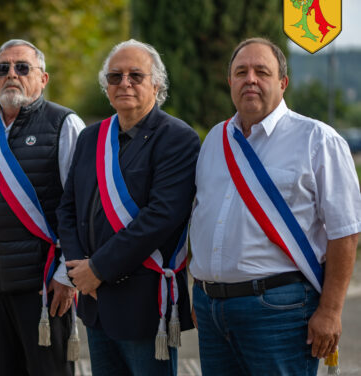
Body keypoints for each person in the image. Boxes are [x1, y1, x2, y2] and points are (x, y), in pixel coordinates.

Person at [189, 37, 361, 376]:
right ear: (230, 82)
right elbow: (203, 216)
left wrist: (330, 311)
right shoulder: (214, 140)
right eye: (241, 72)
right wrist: (203, 289)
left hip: (279, 311)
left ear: (282, 82)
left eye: (261, 71)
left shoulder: (317, 139)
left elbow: (346, 232)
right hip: (212, 310)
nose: (250, 79)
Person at [56, 39, 200, 376]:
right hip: (94, 298)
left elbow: (161, 217)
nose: (124, 83)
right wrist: (80, 270)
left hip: (144, 300)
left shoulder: (178, 138)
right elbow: (68, 208)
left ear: (157, 84)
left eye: (136, 75)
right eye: (114, 76)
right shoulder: (91, 137)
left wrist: (98, 269)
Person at [0, 39, 85, 376]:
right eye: (3, 68)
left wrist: (66, 276)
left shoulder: (64, 124)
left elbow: (82, 206)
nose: (11, 74)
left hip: (43, 286)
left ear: (43, 79)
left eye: (22, 67)